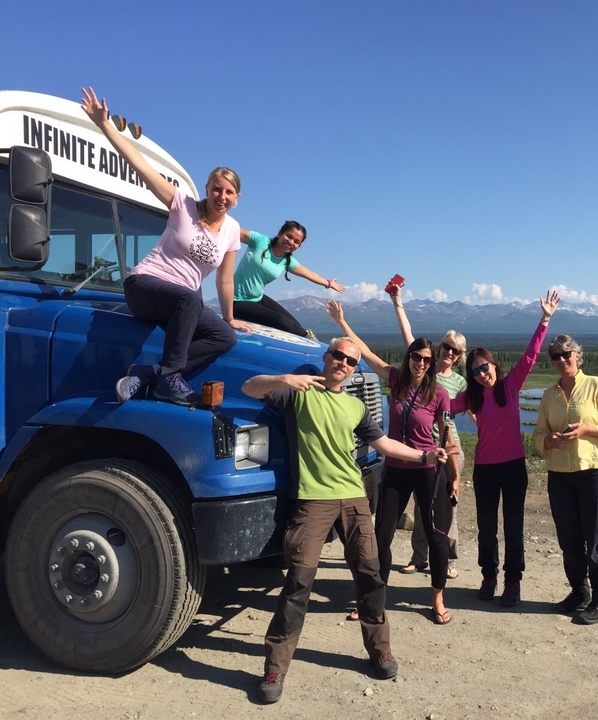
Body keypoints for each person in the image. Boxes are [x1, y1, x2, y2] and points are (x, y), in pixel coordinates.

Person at [241, 338, 451, 703]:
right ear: (326, 358)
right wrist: (283, 379)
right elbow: (248, 388)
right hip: (313, 500)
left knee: (370, 576)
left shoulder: (355, 406)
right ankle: (275, 669)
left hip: (353, 497)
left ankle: (380, 651)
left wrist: (424, 455)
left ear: (354, 368)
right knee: (298, 584)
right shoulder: (298, 393)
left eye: (350, 361)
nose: (343, 363)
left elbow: (385, 445)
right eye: (337, 355)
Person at [80, 87, 253, 406]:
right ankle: (170, 377)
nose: (222, 196)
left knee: (223, 337)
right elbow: (141, 166)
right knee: (190, 298)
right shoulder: (181, 203)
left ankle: (150, 374)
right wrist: (103, 125)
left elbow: (224, 280)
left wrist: (229, 318)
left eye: (229, 192)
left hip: (181, 303)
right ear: (207, 188)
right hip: (145, 287)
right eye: (217, 189)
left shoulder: (231, 230)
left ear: (237, 198)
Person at [326, 300, 456, 625]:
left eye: (427, 359)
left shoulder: (440, 395)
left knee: (437, 535)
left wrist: (453, 476)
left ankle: (437, 597)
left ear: (432, 362)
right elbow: (366, 352)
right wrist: (342, 322)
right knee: (381, 536)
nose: (421, 363)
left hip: (429, 472)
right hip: (396, 471)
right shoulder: (395, 380)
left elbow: (448, 435)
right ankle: (373, 599)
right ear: (409, 357)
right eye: (416, 357)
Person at [449, 289, 560, 607]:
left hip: (513, 468)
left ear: (494, 366)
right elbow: (442, 403)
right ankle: (489, 576)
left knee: (513, 526)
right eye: (475, 371)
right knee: (486, 527)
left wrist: (545, 319)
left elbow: (530, 355)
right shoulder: (471, 398)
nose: (482, 374)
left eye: (485, 367)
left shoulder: (511, 386)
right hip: (484, 469)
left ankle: (513, 582)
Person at [534, 335, 598, 625]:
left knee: (596, 537)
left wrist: (586, 430)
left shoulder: (595, 385)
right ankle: (578, 593)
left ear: (577, 355)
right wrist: (549, 439)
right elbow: (538, 435)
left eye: (566, 354)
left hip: (595, 471)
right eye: (555, 356)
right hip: (560, 473)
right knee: (569, 538)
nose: (561, 360)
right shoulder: (549, 396)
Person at [390, 287, 467, 580]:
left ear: (460, 357)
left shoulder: (460, 382)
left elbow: (473, 409)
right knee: (423, 504)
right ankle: (419, 556)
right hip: (421, 446)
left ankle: (447, 558)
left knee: (447, 505)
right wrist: (398, 302)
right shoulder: (421, 367)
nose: (448, 352)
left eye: (455, 350)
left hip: (448, 445)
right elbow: (406, 332)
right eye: (446, 346)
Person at [233, 223, 345, 337]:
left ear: (299, 246)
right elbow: (231, 230)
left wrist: (329, 283)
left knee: (295, 326)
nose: (291, 242)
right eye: (289, 236)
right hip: (236, 300)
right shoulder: (260, 241)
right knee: (281, 321)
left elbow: (309, 273)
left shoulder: (287, 261)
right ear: (280, 233)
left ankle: (308, 340)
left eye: (296, 241)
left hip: (257, 299)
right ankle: (311, 341)